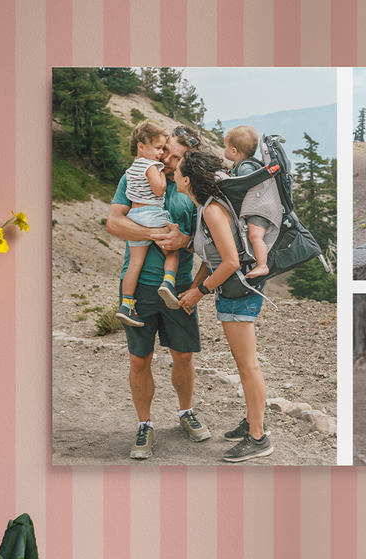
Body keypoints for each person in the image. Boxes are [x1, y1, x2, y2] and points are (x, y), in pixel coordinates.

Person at [105, 125, 212, 460]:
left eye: (175, 155)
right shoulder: (136, 177)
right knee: (140, 360)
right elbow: (113, 223)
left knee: (183, 356)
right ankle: (144, 425)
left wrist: (193, 277)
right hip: (137, 289)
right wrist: (153, 232)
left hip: (178, 288)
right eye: (165, 151)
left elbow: (212, 246)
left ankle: (185, 412)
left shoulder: (191, 190)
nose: (166, 158)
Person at [174, 149, 274, 463]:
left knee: (248, 366)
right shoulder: (208, 207)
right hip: (234, 290)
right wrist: (194, 290)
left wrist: (198, 292)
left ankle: (258, 437)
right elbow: (213, 258)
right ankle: (252, 421)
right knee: (247, 365)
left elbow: (230, 262)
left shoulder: (212, 211)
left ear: (187, 180)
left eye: (177, 170)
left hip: (239, 292)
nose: (172, 173)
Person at [115, 121, 182, 327]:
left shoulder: (130, 170)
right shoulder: (152, 165)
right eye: (158, 148)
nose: (161, 153)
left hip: (134, 215)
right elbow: (159, 190)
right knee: (171, 248)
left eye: (163, 149)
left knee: (134, 265)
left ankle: (126, 305)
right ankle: (168, 283)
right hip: (153, 214)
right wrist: (161, 171)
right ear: (141, 146)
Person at [223, 125, 277, 279]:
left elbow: (249, 184)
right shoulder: (242, 164)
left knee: (255, 236)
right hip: (257, 207)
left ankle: (262, 265)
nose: (223, 149)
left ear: (234, 151)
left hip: (259, 211)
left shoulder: (246, 168)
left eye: (225, 146)